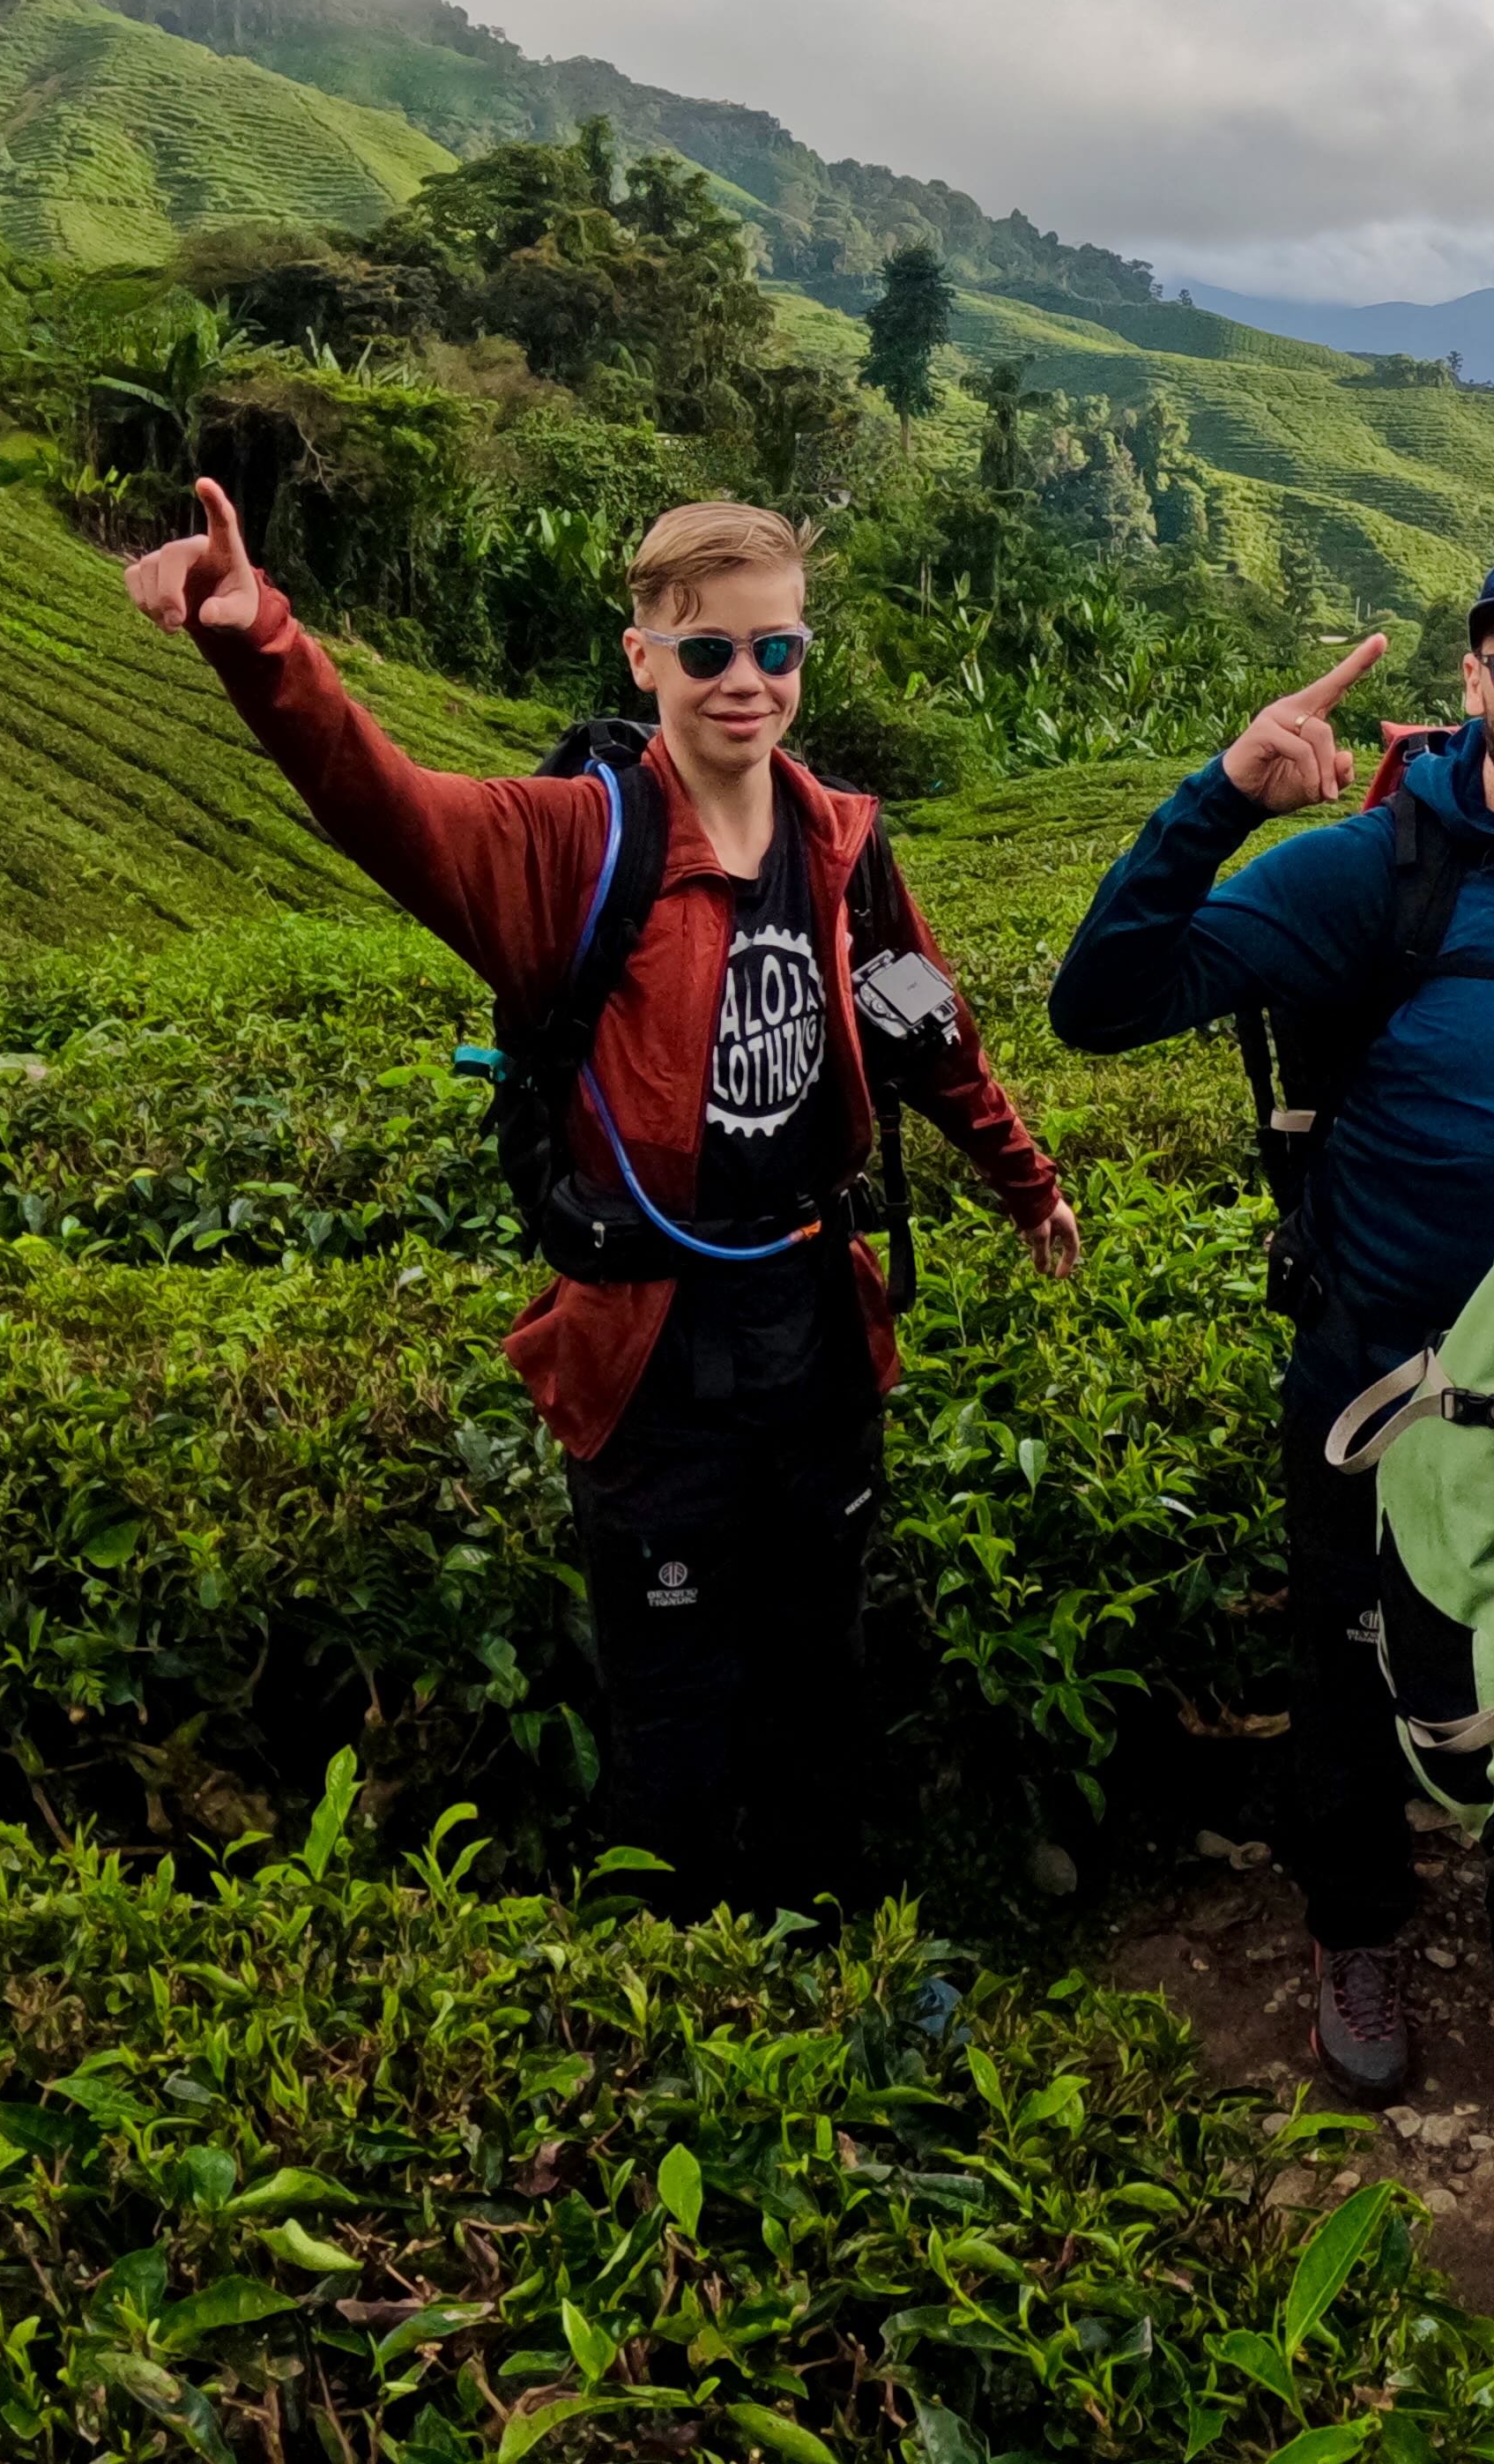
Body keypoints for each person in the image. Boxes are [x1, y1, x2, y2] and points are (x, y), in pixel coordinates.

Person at [130, 477, 1078, 1917]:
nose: (747, 683)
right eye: (708, 652)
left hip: (815, 1319)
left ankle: (833, 1961)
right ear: (643, 657)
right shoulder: (575, 844)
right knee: (672, 1696)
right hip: (650, 1350)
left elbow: (926, 1024)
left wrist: (1026, 1185)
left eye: (776, 649)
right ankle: (676, 1993)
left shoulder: (838, 842)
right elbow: (387, 805)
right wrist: (260, 637)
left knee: (821, 1664)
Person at [1047, 546, 1494, 2102]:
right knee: (1352, 1657)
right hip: (1381, 1370)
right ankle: (1355, 1923)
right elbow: (1099, 999)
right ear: (1469, 680)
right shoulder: (1368, 872)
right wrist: (1223, 793)